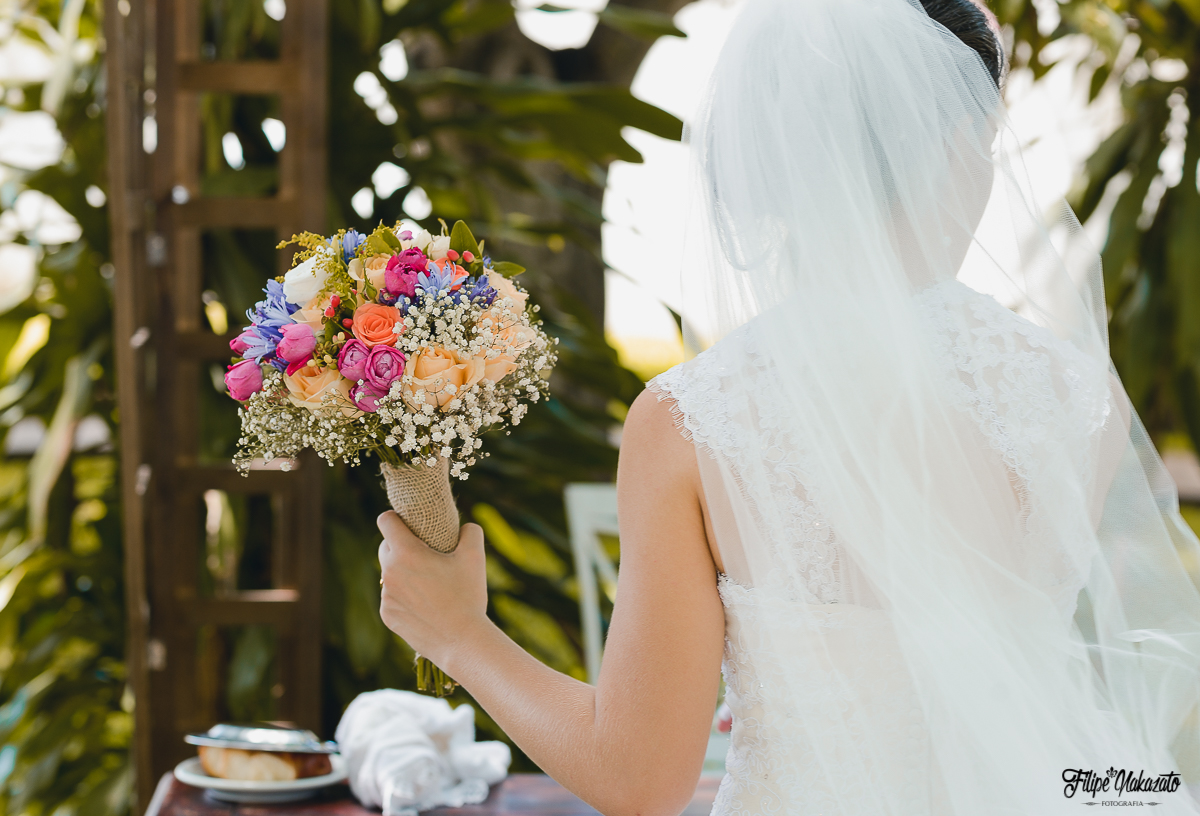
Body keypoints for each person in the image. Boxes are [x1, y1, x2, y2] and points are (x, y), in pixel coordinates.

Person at [376, 0, 1200, 813]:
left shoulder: (693, 423)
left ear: (767, 167)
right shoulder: (1065, 390)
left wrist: (457, 633)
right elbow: (1037, 687)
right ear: (966, 148)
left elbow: (640, 779)